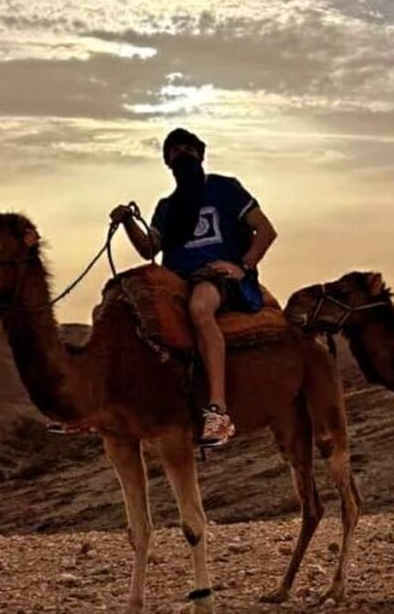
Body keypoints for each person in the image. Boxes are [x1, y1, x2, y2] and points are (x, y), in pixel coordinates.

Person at [111, 128, 278, 446]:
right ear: (168, 161)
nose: (182, 154)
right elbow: (149, 249)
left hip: (217, 276)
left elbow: (266, 230)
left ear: (200, 155)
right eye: (175, 151)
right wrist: (128, 223)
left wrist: (243, 267)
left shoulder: (226, 189)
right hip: (176, 279)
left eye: (188, 148)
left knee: (200, 308)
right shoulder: (167, 207)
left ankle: (218, 412)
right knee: (123, 310)